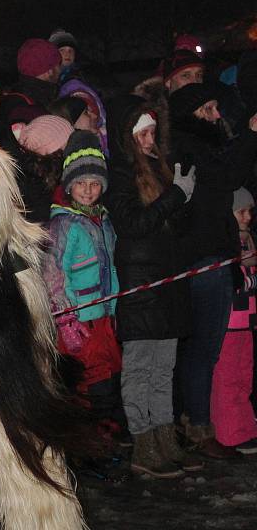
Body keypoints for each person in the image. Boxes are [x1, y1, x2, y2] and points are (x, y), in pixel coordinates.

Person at [105, 94, 202, 477]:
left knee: (165, 369)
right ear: (128, 137)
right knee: (140, 369)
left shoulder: (160, 170)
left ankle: (165, 438)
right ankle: (143, 442)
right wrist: (175, 196)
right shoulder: (121, 174)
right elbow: (135, 225)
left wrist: (185, 201)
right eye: (143, 133)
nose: (150, 140)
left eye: (152, 133)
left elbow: (176, 230)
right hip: (141, 286)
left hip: (167, 285)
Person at [169, 82, 257, 458]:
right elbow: (226, 177)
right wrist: (251, 136)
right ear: (191, 115)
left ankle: (201, 424)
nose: (217, 115)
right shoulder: (191, 147)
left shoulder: (199, 145)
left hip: (210, 256)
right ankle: (200, 428)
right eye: (208, 109)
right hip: (205, 258)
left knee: (203, 348)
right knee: (204, 348)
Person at [45, 131, 122, 428]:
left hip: (102, 317)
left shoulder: (102, 219)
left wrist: (113, 309)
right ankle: (91, 447)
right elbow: (52, 272)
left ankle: (104, 440)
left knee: (108, 380)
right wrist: (66, 319)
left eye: (94, 184)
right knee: (91, 385)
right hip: (79, 321)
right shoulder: (64, 224)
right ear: (69, 185)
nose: (88, 190)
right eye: (81, 183)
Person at [210, 188, 257, 455]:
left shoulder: (249, 239)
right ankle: (229, 433)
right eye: (242, 211)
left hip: (246, 319)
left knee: (244, 375)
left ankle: (245, 427)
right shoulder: (225, 243)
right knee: (227, 377)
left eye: (250, 211)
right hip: (228, 320)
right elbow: (232, 279)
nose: (248, 216)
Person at [0, 38, 62, 124]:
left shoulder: (12, 98)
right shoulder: (33, 109)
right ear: (49, 71)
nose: (60, 70)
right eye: (58, 65)